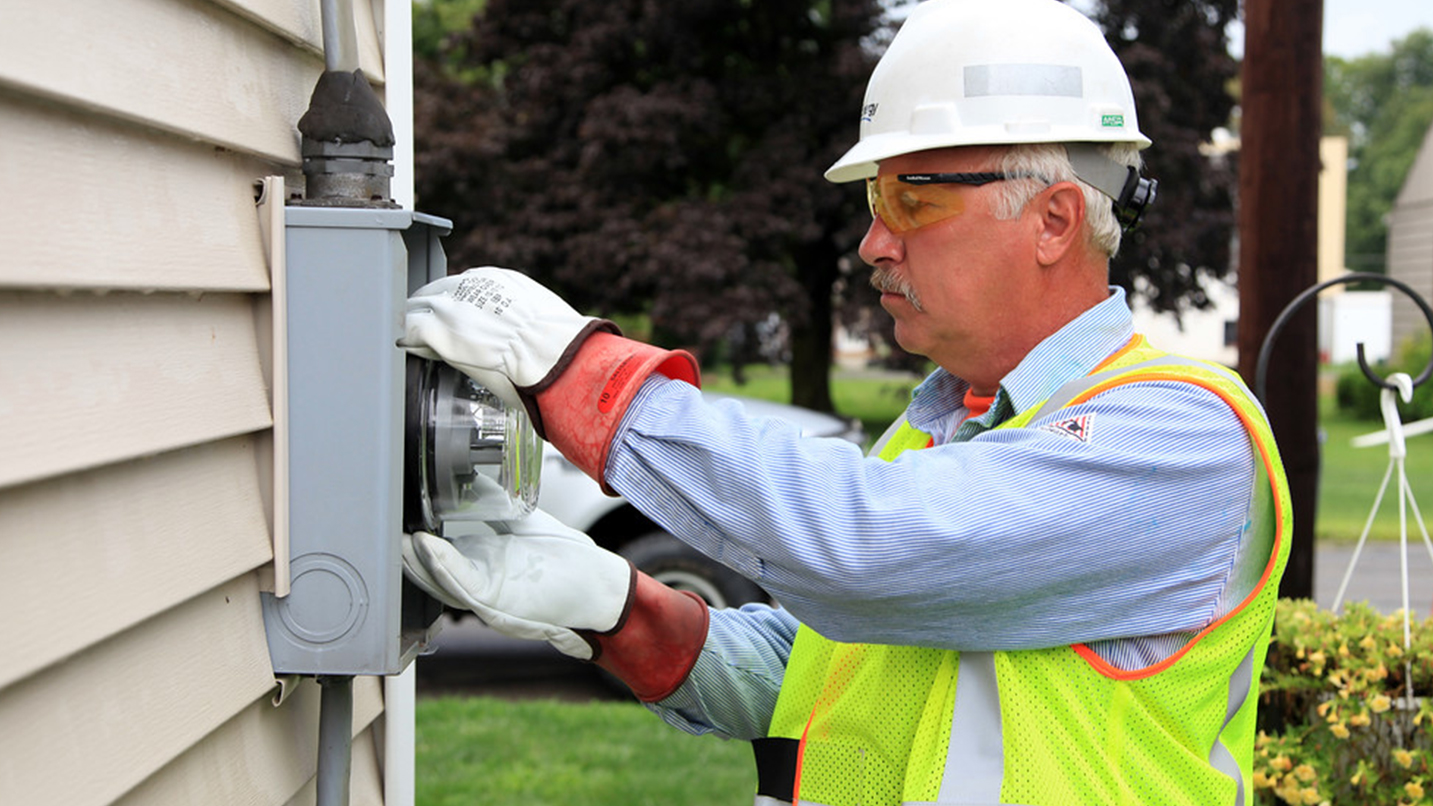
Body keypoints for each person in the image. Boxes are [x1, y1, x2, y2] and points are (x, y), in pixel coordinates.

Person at [398, 0, 1292, 803]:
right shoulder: (939, 433)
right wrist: (617, 609)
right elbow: (829, 669)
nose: (871, 242)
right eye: (875, 196)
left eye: (910, 197)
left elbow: (864, 550)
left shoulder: (1181, 439)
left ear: (1054, 220)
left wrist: (575, 372)